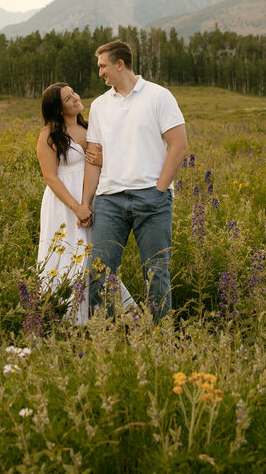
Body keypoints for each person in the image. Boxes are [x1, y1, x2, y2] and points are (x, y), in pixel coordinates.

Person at [82, 40, 187, 322]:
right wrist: (85, 202)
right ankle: (106, 335)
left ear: (120, 64)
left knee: (156, 273)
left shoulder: (158, 96)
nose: (100, 72)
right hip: (109, 200)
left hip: (152, 198)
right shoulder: (99, 106)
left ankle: (159, 337)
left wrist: (160, 190)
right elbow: (92, 158)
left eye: (103, 66)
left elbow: (179, 146)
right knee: (99, 271)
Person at [35, 81, 131, 324]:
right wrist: (76, 207)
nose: (76, 98)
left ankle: (105, 311)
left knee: (96, 254)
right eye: (68, 98)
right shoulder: (48, 135)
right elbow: (50, 177)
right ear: (58, 109)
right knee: (70, 253)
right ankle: (69, 318)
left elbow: (106, 159)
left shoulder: (88, 127)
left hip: (92, 197)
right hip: (64, 203)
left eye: (74, 93)